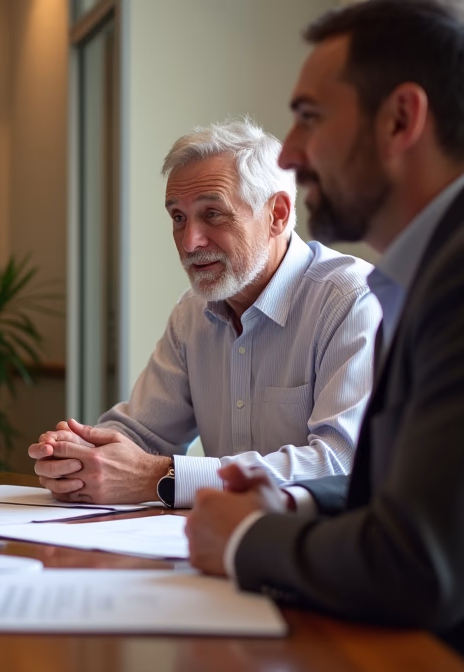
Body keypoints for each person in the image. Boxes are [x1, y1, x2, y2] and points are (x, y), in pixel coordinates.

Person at [184, 2, 464, 670]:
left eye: (309, 117)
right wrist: (293, 499)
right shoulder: (450, 262)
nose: (289, 151)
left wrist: (250, 539)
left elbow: (421, 563)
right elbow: (425, 489)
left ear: (401, 118)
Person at [29, 120, 380, 507]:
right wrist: (80, 454)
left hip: (319, 553)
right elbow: (142, 433)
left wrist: (160, 477)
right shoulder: (192, 314)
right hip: (211, 544)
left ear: (277, 214)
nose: (190, 241)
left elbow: (341, 464)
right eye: (178, 217)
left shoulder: (351, 299)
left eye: (212, 213)